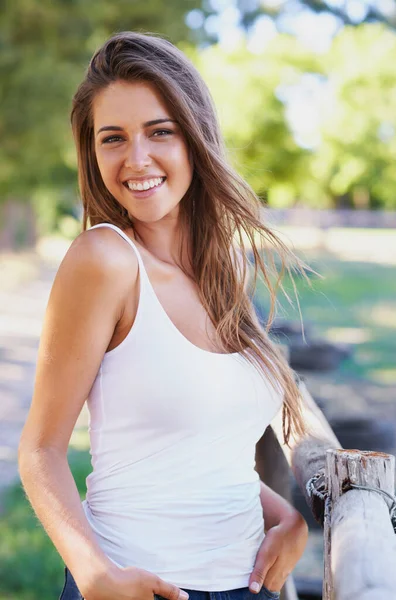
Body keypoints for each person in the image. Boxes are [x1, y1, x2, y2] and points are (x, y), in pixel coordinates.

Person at [18, 31, 311, 600]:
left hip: (246, 586)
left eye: (160, 131)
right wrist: (93, 573)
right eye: (113, 138)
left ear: (195, 138)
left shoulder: (225, 271)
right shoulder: (104, 260)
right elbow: (41, 449)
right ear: (92, 151)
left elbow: (208, 453)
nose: (137, 159)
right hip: (140, 584)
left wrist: (289, 519)